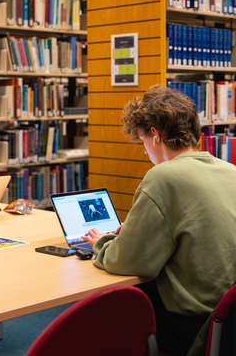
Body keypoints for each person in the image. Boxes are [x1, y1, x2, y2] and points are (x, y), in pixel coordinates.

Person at [81, 85, 236, 356]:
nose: (144, 151)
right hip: (229, 321)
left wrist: (102, 243)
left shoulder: (163, 177)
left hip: (197, 330)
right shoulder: (230, 170)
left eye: (141, 141)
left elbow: (127, 261)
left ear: (155, 135)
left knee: (114, 313)